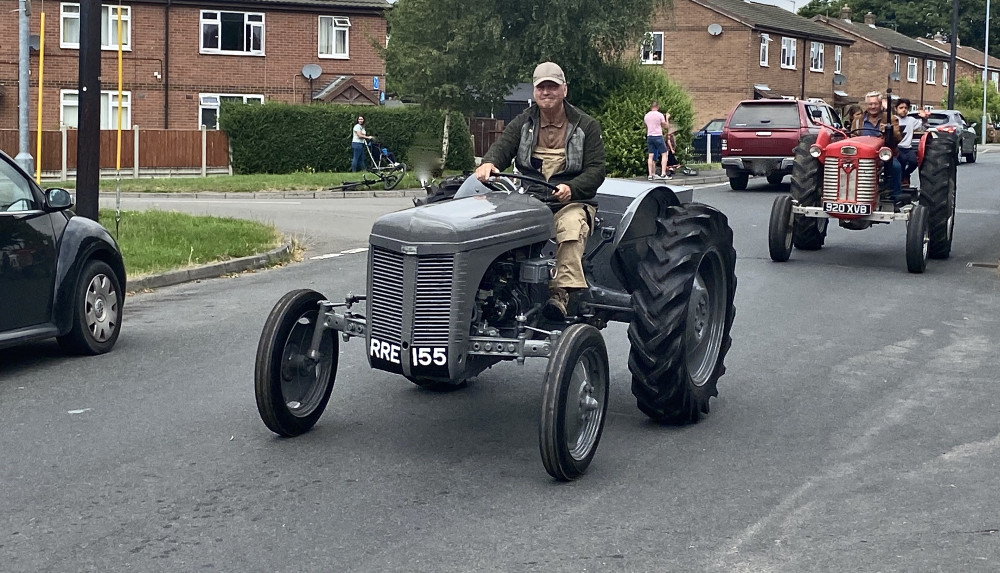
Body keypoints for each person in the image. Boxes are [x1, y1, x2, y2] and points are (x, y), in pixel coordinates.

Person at [474, 61, 607, 321]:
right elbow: (502, 147)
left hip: (571, 202)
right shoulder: (523, 123)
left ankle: (560, 296)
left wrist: (572, 188)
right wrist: (489, 163)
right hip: (530, 198)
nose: (547, 92)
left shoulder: (586, 126)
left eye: (552, 87)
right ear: (534, 92)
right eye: (541, 87)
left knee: (570, 226)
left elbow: (596, 171)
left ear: (564, 90)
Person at [858, 91, 903, 206]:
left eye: (875, 104)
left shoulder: (890, 119)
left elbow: (898, 137)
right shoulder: (859, 120)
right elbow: (853, 136)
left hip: (882, 154)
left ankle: (895, 194)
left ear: (880, 104)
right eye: (870, 104)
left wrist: (889, 131)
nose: (872, 107)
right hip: (861, 154)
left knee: (895, 166)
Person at [894, 98, 922, 188]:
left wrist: (924, 117)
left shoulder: (911, 120)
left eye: (906, 108)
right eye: (901, 107)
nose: (904, 110)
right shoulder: (894, 120)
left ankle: (906, 175)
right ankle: (900, 181)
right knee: (901, 161)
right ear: (896, 109)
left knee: (914, 162)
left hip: (907, 147)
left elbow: (921, 125)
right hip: (898, 147)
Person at [644, 102, 670, 180]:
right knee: (664, 154)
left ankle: (650, 175)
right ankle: (663, 173)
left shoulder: (646, 116)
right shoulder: (659, 115)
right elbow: (666, 126)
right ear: (657, 107)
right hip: (658, 136)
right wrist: (667, 118)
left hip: (650, 136)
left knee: (650, 156)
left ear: (651, 107)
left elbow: (646, 127)